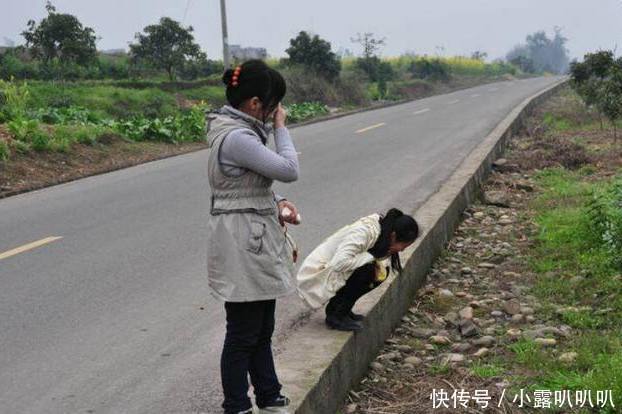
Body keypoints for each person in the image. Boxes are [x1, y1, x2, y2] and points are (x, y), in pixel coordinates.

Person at [206, 60, 299, 414]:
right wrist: (281, 129)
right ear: (256, 104)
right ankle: (236, 405)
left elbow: (239, 188)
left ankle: (269, 394)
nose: (277, 111)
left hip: (252, 236)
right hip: (243, 242)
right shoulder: (237, 137)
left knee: (262, 328)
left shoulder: (236, 131)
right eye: (274, 104)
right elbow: (289, 169)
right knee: (243, 332)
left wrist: (278, 202)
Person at [297, 209, 419, 331]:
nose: (402, 250)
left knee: (380, 271)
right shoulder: (364, 232)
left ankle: (342, 309)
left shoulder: (381, 233)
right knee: (368, 271)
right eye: (403, 246)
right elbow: (339, 263)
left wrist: (374, 256)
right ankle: (336, 315)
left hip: (333, 270)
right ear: (393, 236)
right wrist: (371, 256)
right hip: (317, 273)